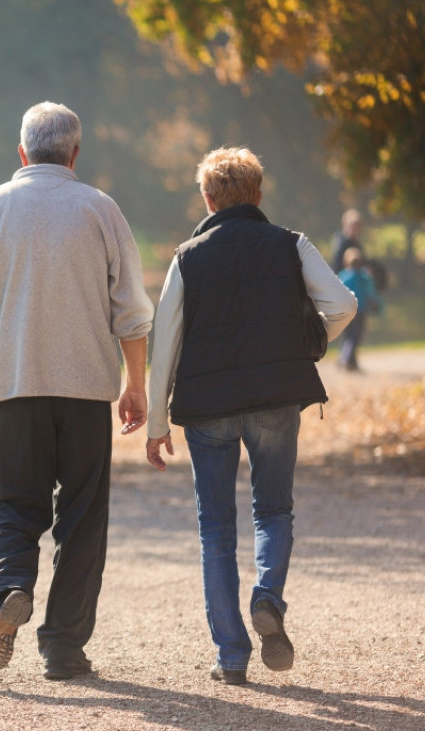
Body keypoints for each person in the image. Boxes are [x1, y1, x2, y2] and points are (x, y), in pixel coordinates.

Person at [0, 101, 154, 680]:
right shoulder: (100, 209)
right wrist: (136, 385)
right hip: (86, 394)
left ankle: (10, 589)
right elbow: (132, 313)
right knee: (83, 520)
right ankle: (62, 648)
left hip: (13, 389)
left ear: (22, 152)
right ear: (75, 153)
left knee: (12, 504)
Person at [144, 147, 357, 685]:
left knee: (215, 529)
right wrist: (307, 341)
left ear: (207, 199)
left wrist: (155, 421)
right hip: (277, 398)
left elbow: (164, 340)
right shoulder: (292, 244)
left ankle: (231, 656)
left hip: (208, 408)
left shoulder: (187, 257)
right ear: (259, 195)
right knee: (274, 511)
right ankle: (268, 599)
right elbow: (344, 304)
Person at [337, 247, 380, 372]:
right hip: (360, 311)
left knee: (348, 336)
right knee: (355, 337)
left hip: (346, 311)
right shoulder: (364, 276)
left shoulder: (344, 275)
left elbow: (338, 291)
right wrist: (375, 304)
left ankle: (350, 361)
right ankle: (346, 359)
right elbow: (370, 292)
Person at [329, 208, 363, 273]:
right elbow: (336, 267)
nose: (355, 228)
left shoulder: (356, 243)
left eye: (358, 225)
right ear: (345, 224)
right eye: (353, 225)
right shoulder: (341, 243)